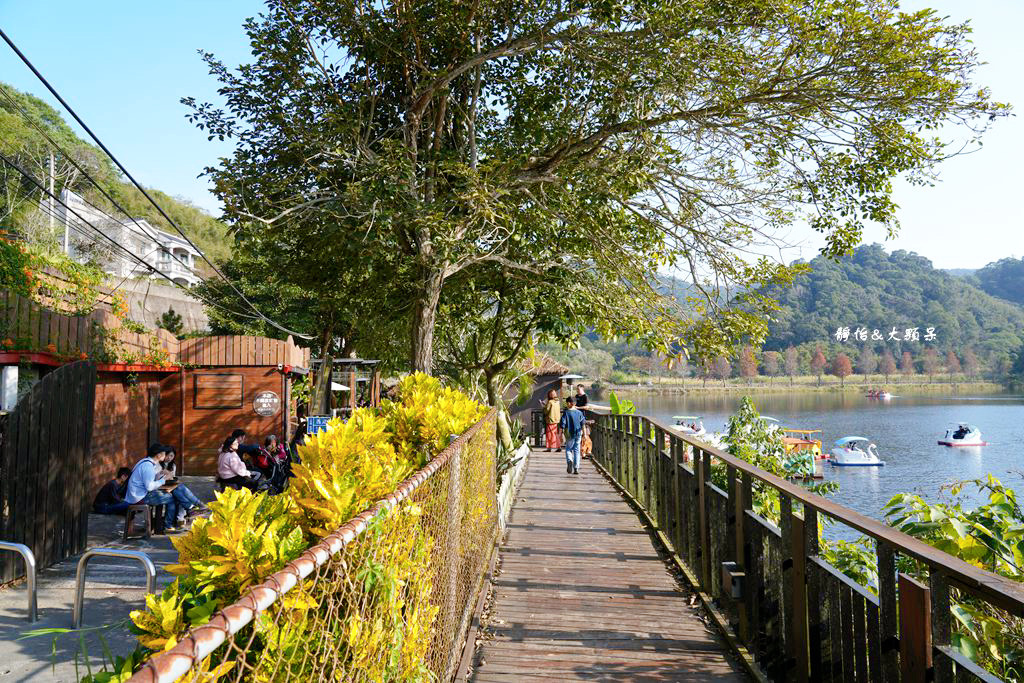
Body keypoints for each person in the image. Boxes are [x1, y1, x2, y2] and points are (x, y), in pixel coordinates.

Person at [124, 444, 181, 532]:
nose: (165, 456)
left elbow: (149, 480)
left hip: (136, 494)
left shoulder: (145, 462)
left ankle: (160, 526)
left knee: (171, 495)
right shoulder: (148, 466)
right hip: (139, 497)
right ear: (158, 455)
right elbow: (149, 487)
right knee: (173, 498)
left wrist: (160, 474)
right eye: (164, 453)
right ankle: (167, 525)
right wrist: (164, 479)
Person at [559, 397, 586, 474]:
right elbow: (583, 424)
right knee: (577, 450)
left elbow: (562, 425)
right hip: (578, 433)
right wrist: (585, 434)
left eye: (567, 402)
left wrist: (560, 435)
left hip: (569, 434)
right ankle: (576, 468)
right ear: (575, 404)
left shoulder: (566, 413)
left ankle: (569, 461)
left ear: (569, 403)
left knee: (568, 449)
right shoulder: (579, 413)